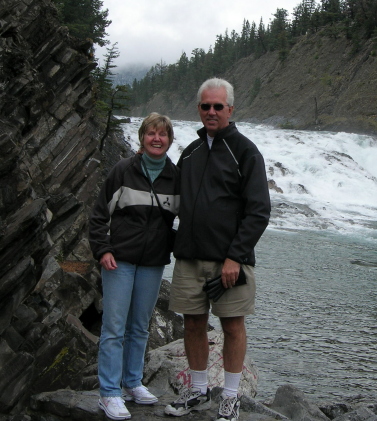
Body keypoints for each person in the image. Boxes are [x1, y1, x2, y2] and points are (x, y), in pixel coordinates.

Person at [164, 78, 271, 421]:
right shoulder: (190, 152)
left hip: (229, 263)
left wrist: (235, 257)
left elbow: (258, 211)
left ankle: (230, 397)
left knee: (232, 327)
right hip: (190, 258)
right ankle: (196, 392)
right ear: (199, 109)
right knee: (193, 324)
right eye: (205, 106)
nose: (211, 112)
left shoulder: (245, 151)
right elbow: (174, 198)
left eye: (218, 106)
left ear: (230, 109)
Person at [89, 113, 180, 421]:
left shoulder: (174, 177)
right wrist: (102, 250)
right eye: (152, 133)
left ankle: (132, 383)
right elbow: (99, 215)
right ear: (142, 137)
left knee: (139, 326)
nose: (157, 138)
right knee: (114, 328)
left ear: (169, 140)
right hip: (120, 260)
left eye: (163, 134)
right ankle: (109, 393)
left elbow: (186, 221)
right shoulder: (123, 171)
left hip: (153, 262)